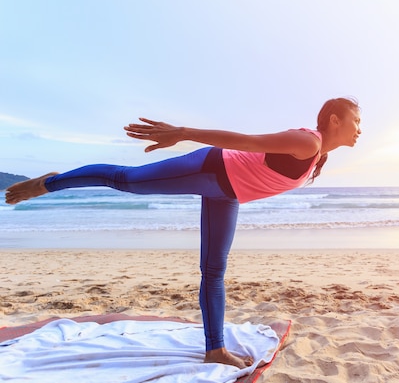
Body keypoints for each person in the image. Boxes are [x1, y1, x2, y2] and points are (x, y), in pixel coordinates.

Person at [4, 97, 361, 368]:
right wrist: (183, 133)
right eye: (355, 121)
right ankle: (50, 183)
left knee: (214, 270)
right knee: (125, 180)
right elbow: (246, 141)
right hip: (211, 169)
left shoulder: (317, 157)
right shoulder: (308, 142)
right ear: (334, 120)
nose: (359, 129)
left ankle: (215, 349)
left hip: (227, 192)